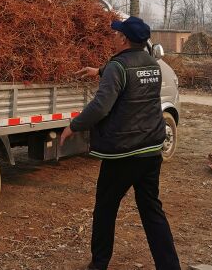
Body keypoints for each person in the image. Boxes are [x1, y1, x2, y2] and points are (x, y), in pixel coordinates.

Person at [60, 16, 180, 270]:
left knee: (105, 208)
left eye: (117, 35)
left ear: (124, 39)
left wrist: (74, 126)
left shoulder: (119, 66)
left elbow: (100, 107)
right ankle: (169, 266)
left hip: (125, 152)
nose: (114, 37)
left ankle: (99, 263)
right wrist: (100, 71)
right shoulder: (152, 64)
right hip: (151, 149)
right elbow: (131, 76)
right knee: (151, 210)